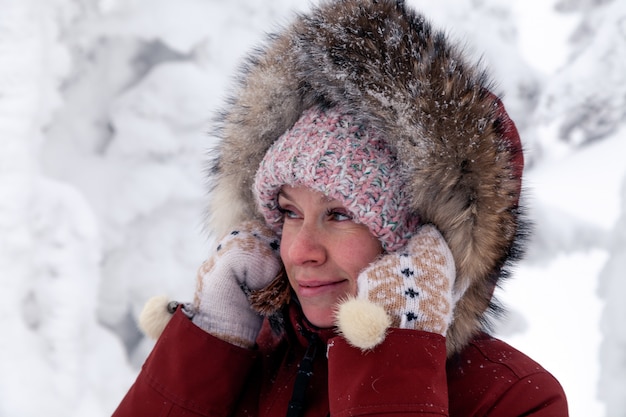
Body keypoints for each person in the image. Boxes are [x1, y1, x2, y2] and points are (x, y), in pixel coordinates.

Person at [112, 0, 569, 416]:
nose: (300, 251)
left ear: (418, 246)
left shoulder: (511, 398)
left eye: (339, 214)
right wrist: (208, 346)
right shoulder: (242, 362)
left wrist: (395, 351)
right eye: (290, 213)